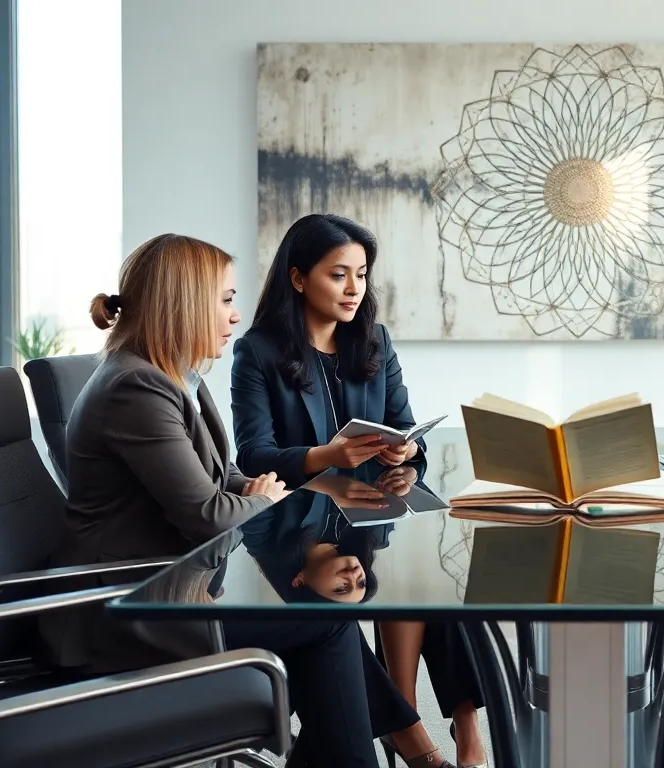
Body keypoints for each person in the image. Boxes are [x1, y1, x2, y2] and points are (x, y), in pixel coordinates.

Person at [42, 233, 456, 768]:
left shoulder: (172, 375)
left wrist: (253, 492)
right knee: (327, 618)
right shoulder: (136, 388)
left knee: (322, 620)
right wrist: (257, 498)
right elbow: (209, 516)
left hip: (176, 587)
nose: (235, 316)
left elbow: (228, 475)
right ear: (184, 302)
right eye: (225, 299)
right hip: (127, 612)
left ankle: (383, 749)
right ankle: (395, 749)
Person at [231, 213, 487, 768]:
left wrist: (404, 452)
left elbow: (405, 424)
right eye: (338, 275)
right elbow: (251, 452)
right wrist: (326, 457)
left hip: (372, 513)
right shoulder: (260, 351)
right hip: (293, 527)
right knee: (349, 605)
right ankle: (412, 735)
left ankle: (466, 731)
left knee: (434, 583)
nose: (354, 289)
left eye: (361, 275)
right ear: (298, 278)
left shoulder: (374, 340)